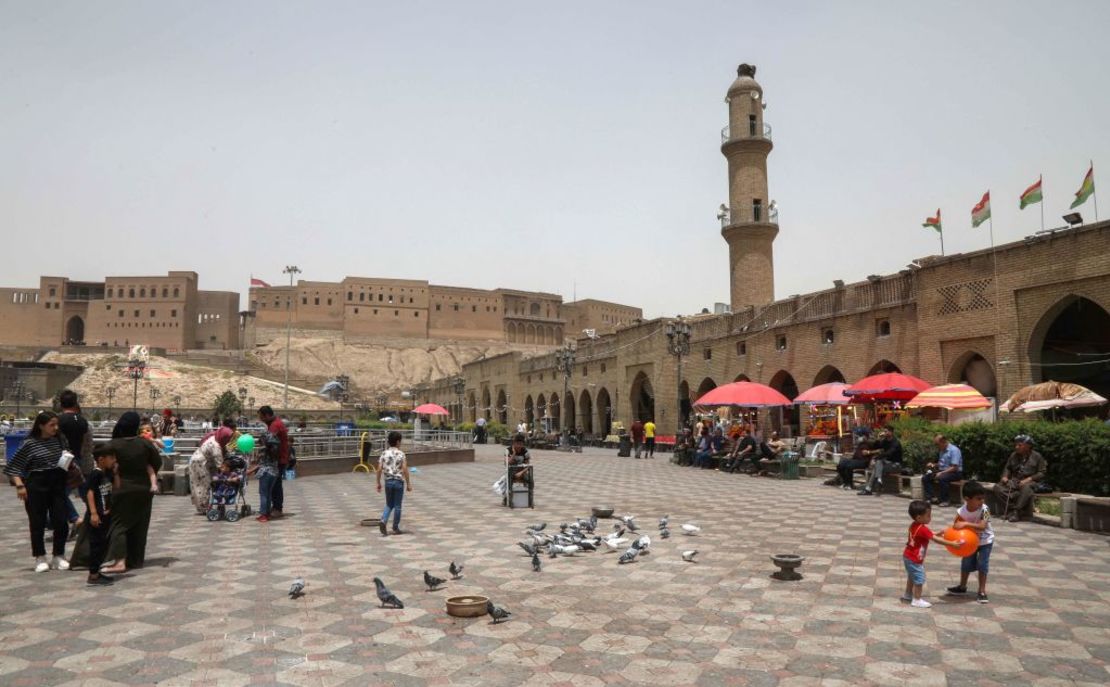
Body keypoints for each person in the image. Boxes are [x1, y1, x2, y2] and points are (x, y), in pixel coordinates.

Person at [4, 411, 72, 573]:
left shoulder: (60, 440)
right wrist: (20, 486)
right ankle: (40, 557)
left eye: (56, 424)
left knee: (61, 520)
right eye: (51, 425)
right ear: (41, 426)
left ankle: (58, 555)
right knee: (37, 522)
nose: (55, 428)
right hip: (37, 484)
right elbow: (13, 467)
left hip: (57, 482)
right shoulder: (29, 444)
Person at [100, 411, 162, 574]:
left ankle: (120, 561)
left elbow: (103, 463)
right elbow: (157, 461)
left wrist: (112, 477)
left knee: (119, 524)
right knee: (140, 524)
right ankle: (135, 559)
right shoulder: (144, 443)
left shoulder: (114, 444)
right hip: (143, 489)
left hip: (122, 488)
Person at [902, 499, 961, 608]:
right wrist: (951, 543)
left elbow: (929, 534)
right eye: (928, 516)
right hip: (914, 558)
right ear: (919, 517)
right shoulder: (922, 529)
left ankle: (908, 594)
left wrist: (937, 533)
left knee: (912, 576)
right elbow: (935, 539)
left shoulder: (915, 525)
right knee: (919, 579)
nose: (930, 518)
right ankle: (917, 599)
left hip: (908, 556)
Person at [946, 481, 994, 604]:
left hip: (985, 541)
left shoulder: (986, 509)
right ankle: (962, 587)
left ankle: (982, 591)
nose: (982, 501)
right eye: (978, 499)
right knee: (966, 563)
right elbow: (955, 527)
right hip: (968, 543)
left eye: (983, 498)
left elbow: (982, 527)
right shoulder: (960, 512)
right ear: (967, 499)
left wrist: (966, 523)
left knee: (983, 564)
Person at [82, 443, 117, 586]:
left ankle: (97, 572)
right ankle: (93, 574)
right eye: (111, 458)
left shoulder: (107, 474)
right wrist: (94, 513)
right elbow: (89, 493)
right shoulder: (95, 474)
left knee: (103, 544)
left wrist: (115, 472)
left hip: (106, 513)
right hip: (97, 515)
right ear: (101, 459)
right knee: (96, 545)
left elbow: (117, 487)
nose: (114, 460)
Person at [57, 390, 90, 535]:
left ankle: (75, 518)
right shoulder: (82, 421)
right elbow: (84, 443)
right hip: (78, 458)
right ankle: (99, 514)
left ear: (61, 402)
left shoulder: (59, 420)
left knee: (59, 493)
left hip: (63, 460)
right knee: (85, 490)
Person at [992, 435, 1047, 522]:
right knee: (997, 488)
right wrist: (1005, 476)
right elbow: (1008, 468)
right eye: (1016, 445)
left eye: (1019, 445)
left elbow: (1042, 472)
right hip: (1015, 481)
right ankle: (1012, 510)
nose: (1016, 447)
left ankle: (1016, 512)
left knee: (1026, 488)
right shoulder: (1013, 455)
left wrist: (1029, 478)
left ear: (1028, 446)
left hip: (1030, 482)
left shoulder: (1037, 456)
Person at [188, 427, 233, 515]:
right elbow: (220, 465)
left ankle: (203, 507)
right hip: (200, 464)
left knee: (201, 484)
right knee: (203, 485)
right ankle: (203, 508)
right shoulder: (215, 446)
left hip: (200, 461)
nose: (228, 440)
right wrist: (230, 475)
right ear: (223, 436)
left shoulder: (215, 438)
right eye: (227, 438)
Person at [376, 431, 412, 535]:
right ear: (397, 442)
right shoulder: (401, 454)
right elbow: (405, 469)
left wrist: (378, 483)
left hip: (388, 481)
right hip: (398, 482)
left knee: (389, 504)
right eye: (400, 441)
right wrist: (408, 483)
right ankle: (395, 527)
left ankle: (383, 520)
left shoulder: (384, 453)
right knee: (397, 505)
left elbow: (379, 469)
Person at [258, 406, 289, 518]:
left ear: (266, 415)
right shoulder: (275, 423)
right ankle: (275, 506)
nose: (261, 419)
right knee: (275, 484)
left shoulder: (275, 425)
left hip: (278, 460)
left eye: (261, 416)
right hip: (279, 459)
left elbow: (271, 443)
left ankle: (277, 508)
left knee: (275, 484)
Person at [858, 427, 903, 496]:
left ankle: (869, 488)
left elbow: (889, 453)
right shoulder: (885, 441)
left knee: (877, 467)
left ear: (891, 432)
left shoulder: (896, 443)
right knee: (878, 464)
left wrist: (875, 458)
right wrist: (878, 439)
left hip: (896, 465)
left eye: (886, 431)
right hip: (886, 464)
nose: (884, 433)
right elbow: (875, 447)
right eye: (884, 431)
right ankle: (878, 481)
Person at [923, 434, 963, 507]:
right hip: (943, 471)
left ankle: (945, 500)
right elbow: (941, 463)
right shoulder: (942, 450)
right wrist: (933, 465)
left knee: (942, 478)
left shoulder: (954, 450)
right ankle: (931, 498)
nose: (936, 446)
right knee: (926, 476)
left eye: (937, 444)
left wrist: (942, 472)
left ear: (943, 442)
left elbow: (955, 467)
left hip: (955, 472)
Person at [250, 431, 280, 522]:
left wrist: (249, 471)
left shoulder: (263, 450)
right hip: (274, 473)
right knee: (268, 493)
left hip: (265, 473)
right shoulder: (275, 449)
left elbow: (260, 464)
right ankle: (267, 514)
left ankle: (263, 515)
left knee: (263, 494)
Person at [504, 433, 532, 505]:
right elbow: (507, 463)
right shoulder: (508, 450)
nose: (519, 446)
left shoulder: (525, 451)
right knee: (509, 479)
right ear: (514, 443)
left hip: (522, 471)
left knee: (530, 480)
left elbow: (528, 465)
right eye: (517, 444)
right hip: (511, 471)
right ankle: (508, 498)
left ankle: (529, 499)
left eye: (521, 444)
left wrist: (521, 472)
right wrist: (514, 453)